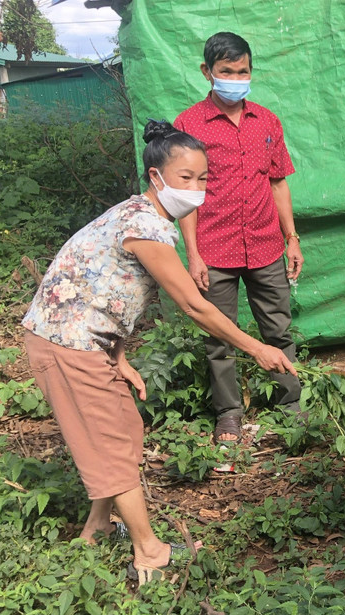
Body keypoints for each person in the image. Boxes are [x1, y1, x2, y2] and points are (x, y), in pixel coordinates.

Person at [22, 120, 296, 584]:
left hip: (92, 339)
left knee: (124, 431)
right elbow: (193, 304)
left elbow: (112, 290)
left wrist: (120, 356)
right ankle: (149, 551)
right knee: (109, 443)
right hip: (66, 342)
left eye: (203, 178)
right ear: (156, 177)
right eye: (184, 178)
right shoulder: (145, 226)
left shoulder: (144, 214)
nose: (196, 188)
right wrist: (257, 349)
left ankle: (96, 527)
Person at [174, 32, 304, 445]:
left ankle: (291, 405)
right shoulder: (188, 126)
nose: (234, 78)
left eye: (242, 71)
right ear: (207, 72)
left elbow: (278, 183)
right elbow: (186, 198)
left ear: (251, 71)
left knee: (279, 330)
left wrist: (292, 238)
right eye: (225, 71)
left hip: (265, 244)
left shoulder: (266, 121)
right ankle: (229, 413)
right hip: (215, 249)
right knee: (219, 339)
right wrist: (193, 254)